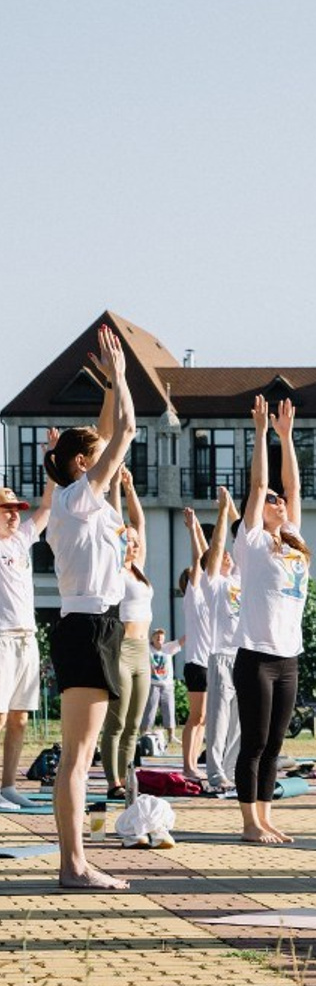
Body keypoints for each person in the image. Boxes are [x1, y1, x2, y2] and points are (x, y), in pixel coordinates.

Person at [44, 325, 135, 889]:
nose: (106, 464)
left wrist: (107, 386)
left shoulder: (79, 500)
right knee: (77, 757)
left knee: (84, 755)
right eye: (94, 458)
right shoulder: (78, 500)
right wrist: (120, 376)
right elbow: (123, 429)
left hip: (98, 625)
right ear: (81, 464)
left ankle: (75, 862)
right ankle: (74, 865)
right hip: (85, 627)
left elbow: (107, 428)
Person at [233, 394, 310, 845]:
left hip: (288, 658)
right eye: (272, 501)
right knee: (255, 742)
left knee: (276, 746)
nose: (279, 502)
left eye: (282, 502)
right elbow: (261, 484)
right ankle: (248, 823)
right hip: (256, 658)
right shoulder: (252, 542)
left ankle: (264, 817)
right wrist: (262, 435)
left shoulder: (293, 539)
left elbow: (293, 488)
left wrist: (287, 437)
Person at [0, 455, 55, 810]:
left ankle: (7, 787)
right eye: (6, 509)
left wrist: (51, 462)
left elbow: (48, 506)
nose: (14, 514)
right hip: (1, 638)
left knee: (20, 717)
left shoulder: (20, 541)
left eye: (16, 508)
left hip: (26, 637)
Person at [101, 467, 152, 798]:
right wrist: (117, 491)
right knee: (116, 722)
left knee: (136, 723)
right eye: (129, 541)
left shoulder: (139, 570)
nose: (134, 544)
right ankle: (113, 783)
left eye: (135, 542)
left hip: (144, 652)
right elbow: (120, 522)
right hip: (121, 649)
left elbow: (139, 523)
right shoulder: (115, 571)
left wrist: (131, 487)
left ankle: (128, 777)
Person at [203, 487, 242, 794]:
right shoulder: (214, 583)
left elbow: (243, 540)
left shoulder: (241, 578)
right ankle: (215, 773)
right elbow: (217, 549)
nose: (228, 555)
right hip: (221, 656)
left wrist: (233, 512)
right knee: (219, 719)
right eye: (222, 556)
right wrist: (220, 514)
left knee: (240, 721)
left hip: (245, 654)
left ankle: (231, 770)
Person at [175, 508, 212, 779]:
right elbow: (200, 558)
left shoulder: (209, 595)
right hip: (197, 664)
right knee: (196, 717)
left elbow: (207, 557)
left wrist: (199, 531)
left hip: (209, 663)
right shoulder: (192, 595)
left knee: (204, 719)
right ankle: (187, 766)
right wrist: (193, 529)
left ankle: (194, 765)